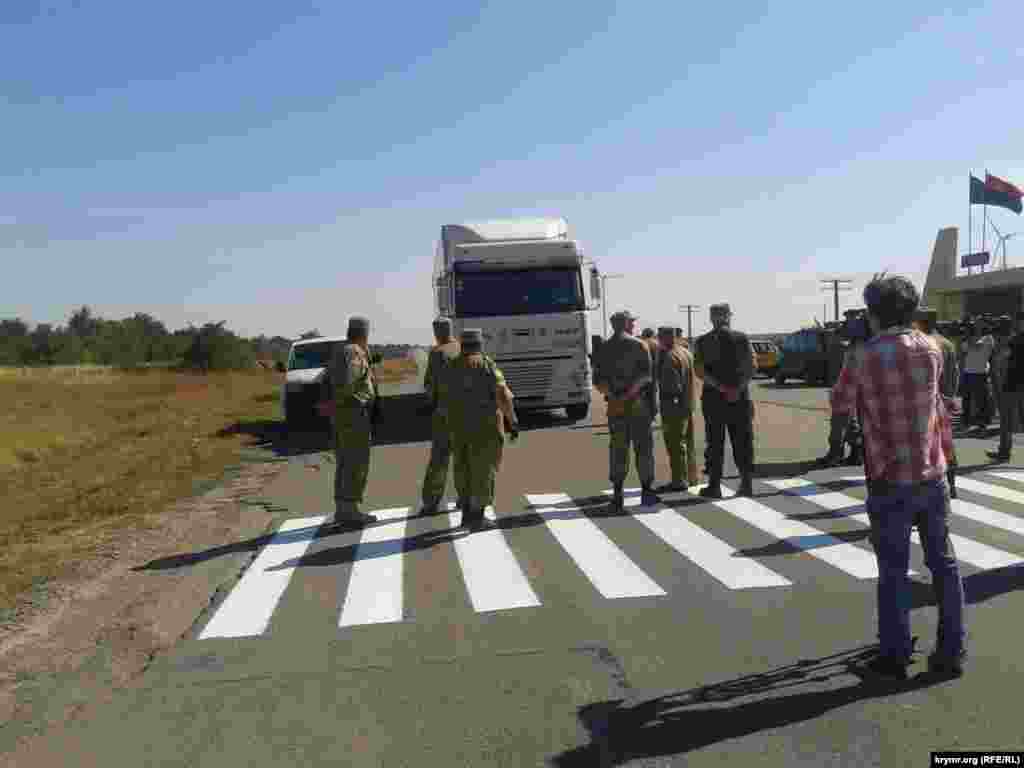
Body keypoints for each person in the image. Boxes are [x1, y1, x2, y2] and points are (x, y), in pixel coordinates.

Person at [830, 273, 965, 679]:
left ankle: (895, 652)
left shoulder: (863, 355)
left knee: (893, 569)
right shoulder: (933, 348)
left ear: (872, 312)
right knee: (944, 563)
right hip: (932, 473)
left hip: (889, 476)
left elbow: (840, 403)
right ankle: (951, 651)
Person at [445, 328, 519, 530]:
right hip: (484, 428)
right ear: (479, 344)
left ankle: (467, 515)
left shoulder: (452, 366)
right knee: (484, 470)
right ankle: (477, 518)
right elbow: (502, 394)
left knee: (464, 469)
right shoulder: (486, 364)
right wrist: (512, 421)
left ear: (462, 344)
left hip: (459, 427)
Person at [594, 310, 658, 511]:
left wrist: (615, 396)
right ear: (627, 323)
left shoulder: (603, 348)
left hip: (615, 406)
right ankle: (647, 492)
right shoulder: (640, 345)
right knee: (643, 449)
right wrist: (629, 394)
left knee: (618, 450)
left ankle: (618, 495)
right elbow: (646, 376)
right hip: (637, 405)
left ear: (613, 325)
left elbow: (598, 381)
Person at [318, 316, 378, 526]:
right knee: (355, 461)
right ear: (365, 333)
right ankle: (349, 511)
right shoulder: (353, 352)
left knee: (346, 461)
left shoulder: (341, 351)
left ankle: (345, 509)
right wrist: (359, 401)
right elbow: (348, 383)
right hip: (352, 415)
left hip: (344, 415)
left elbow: (326, 379)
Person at [693, 304, 755, 498]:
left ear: (712, 318)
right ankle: (746, 483)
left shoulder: (702, 341)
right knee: (743, 440)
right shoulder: (742, 338)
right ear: (728, 317)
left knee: (714, 442)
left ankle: (714, 485)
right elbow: (752, 366)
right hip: (739, 397)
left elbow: (699, 371)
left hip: (714, 399)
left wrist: (721, 388)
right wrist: (737, 389)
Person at [419, 317, 466, 515]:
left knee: (439, 458)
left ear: (436, 332)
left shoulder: (437, 353)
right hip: (465, 411)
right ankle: (466, 497)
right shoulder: (462, 348)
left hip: (444, 412)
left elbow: (430, 386)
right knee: (463, 456)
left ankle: (431, 502)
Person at [913, 307, 961, 498]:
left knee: (925, 448)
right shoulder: (947, 343)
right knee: (947, 444)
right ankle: (952, 485)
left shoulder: (920, 343)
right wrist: (950, 397)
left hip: (925, 402)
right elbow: (955, 374)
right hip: (944, 401)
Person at [656, 326, 697, 491]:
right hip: (688, 404)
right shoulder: (685, 352)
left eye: (659, 337)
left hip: (674, 407)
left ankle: (679, 480)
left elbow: (672, 388)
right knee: (688, 442)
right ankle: (691, 476)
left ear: (663, 338)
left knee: (675, 444)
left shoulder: (668, 356)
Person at [988, 312, 1024, 462]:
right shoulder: (1012, 340)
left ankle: (1004, 451)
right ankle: (1004, 450)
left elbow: (1000, 363)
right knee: (1006, 420)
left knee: (1006, 420)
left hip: (1011, 384)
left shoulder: (1012, 341)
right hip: (1012, 383)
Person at [960, 324, 995, 430]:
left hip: (980, 373)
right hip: (968, 372)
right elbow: (964, 350)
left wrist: (970, 338)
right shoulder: (967, 341)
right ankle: (967, 420)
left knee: (982, 399)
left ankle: (983, 421)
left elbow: (976, 346)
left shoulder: (988, 339)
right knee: (966, 398)